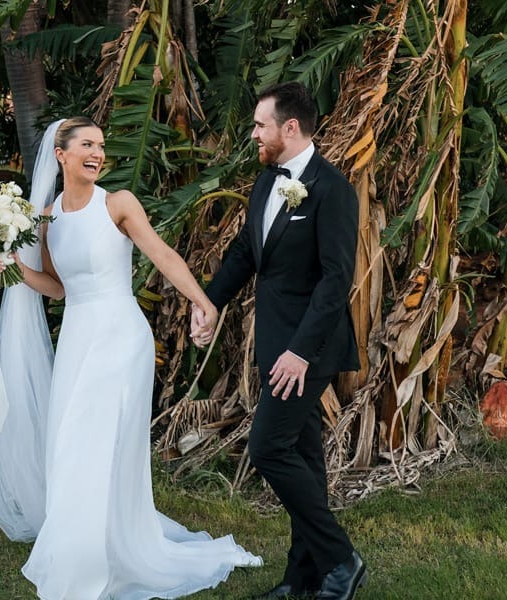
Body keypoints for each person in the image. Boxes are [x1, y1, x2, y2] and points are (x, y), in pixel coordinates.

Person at [0, 116, 261, 600]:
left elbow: (163, 256)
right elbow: (57, 290)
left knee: (105, 443)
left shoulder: (117, 203)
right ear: (61, 155)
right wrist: (15, 271)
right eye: (86, 145)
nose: (97, 153)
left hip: (120, 337)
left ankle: (109, 550)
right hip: (77, 338)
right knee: (69, 440)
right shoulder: (48, 220)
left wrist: (204, 302)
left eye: (101, 145)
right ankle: (81, 546)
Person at [192, 83, 366, 600]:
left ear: (290, 127)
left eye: (259, 125)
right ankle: (303, 579)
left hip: (307, 349)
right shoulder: (266, 181)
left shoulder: (332, 189)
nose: (253, 134)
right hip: (276, 343)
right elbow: (247, 251)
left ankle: (342, 559)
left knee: (268, 448)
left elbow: (337, 280)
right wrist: (211, 302)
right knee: (305, 459)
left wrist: (298, 352)